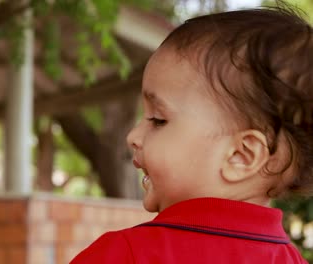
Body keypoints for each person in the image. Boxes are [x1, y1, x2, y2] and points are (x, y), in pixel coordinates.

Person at [71, 5, 311, 264]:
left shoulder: (123, 254)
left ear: (241, 155)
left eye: (158, 120)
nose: (133, 135)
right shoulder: (290, 260)